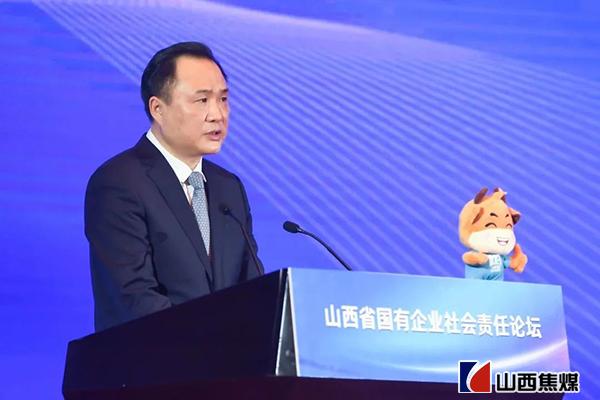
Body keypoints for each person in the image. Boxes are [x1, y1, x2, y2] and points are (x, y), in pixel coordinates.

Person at [85, 42, 264, 332]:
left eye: (223, 99)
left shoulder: (228, 188)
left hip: (226, 359)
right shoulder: (118, 183)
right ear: (158, 108)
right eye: (202, 100)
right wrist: (213, 343)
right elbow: (134, 299)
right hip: (149, 356)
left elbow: (252, 289)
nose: (218, 114)